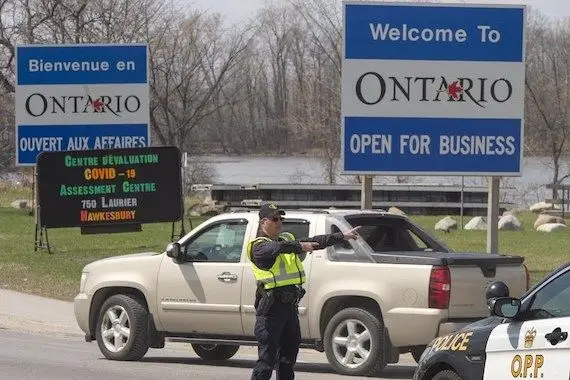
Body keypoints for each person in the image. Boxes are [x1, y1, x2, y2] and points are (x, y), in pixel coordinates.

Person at [247, 203, 360, 380]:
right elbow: (275, 249)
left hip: (289, 309)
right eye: (275, 219)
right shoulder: (258, 246)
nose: (279, 223)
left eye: (281, 219)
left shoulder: (285, 241)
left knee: (287, 360)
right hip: (270, 311)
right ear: (263, 222)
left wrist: (342, 236)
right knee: (266, 362)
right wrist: (300, 247)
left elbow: (315, 240)